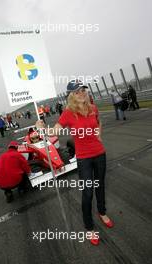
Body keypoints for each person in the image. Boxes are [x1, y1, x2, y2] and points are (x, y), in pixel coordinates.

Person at [35, 80, 114, 246]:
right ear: (71, 95)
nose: (81, 93)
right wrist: (41, 128)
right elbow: (54, 131)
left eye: (83, 90)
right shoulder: (68, 113)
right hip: (84, 158)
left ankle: (102, 212)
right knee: (87, 192)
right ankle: (89, 227)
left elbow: (98, 122)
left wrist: (99, 135)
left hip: (100, 154)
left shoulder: (93, 108)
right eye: (77, 91)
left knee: (100, 186)